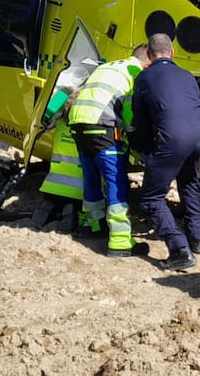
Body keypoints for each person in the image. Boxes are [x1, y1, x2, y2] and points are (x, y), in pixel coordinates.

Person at [129, 34, 200, 271]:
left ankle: (179, 249)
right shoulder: (187, 75)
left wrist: (144, 150)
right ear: (172, 52)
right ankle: (197, 239)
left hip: (172, 138)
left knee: (152, 199)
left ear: (150, 57)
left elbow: (140, 120)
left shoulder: (144, 77)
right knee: (189, 182)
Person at [68, 44, 152, 258]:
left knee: (90, 177)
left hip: (78, 123)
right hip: (103, 126)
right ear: (147, 63)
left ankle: (92, 224)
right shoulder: (135, 72)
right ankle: (121, 242)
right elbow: (129, 110)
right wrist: (135, 132)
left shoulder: (109, 67)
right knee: (116, 182)